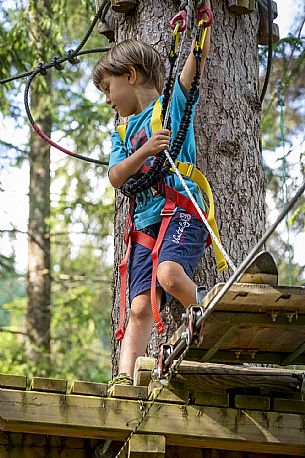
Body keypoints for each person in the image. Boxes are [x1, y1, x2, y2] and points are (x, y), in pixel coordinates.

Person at [92, 2, 213, 390]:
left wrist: (202, 30)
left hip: (181, 211)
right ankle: (124, 380)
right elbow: (115, 175)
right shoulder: (122, 134)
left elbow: (192, 72)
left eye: (109, 89)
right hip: (145, 227)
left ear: (130, 75)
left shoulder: (170, 108)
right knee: (139, 306)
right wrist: (145, 151)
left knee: (170, 274)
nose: (108, 100)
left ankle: (214, 310)